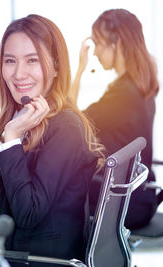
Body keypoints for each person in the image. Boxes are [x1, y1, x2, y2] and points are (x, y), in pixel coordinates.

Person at [0, 15, 104, 265]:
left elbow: (29, 211)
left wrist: (11, 138)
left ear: (56, 65)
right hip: (31, 251)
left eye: (32, 60)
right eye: (10, 61)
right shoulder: (42, 118)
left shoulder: (65, 126)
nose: (18, 73)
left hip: (35, 259)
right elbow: (39, 183)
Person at [70, 9, 160, 230]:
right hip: (138, 195)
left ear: (116, 42)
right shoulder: (137, 86)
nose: (96, 53)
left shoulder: (123, 95)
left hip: (123, 203)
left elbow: (70, 121)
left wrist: (80, 69)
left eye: (98, 44)